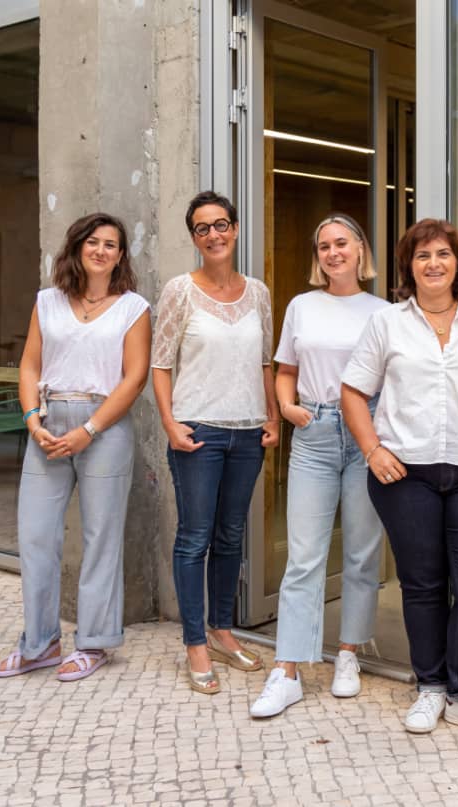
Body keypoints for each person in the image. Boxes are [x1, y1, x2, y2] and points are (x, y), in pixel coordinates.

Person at [341, 219, 458, 738]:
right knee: (422, 585)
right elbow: (353, 391)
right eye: (422, 256)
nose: (433, 264)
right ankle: (430, 686)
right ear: (409, 268)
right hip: (406, 476)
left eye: (442, 254)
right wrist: (372, 449)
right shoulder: (388, 324)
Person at [0, 212, 151, 682]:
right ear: (78, 247)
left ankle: (95, 642)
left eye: (111, 245)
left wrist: (91, 429)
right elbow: (28, 366)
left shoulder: (133, 308)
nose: (101, 250)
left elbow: (135, 377)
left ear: (121, 255)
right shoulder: (48, 301)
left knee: (102, 536)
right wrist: (31, 420)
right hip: (48, 423)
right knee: (37, 536)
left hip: (105, 425)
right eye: (93, 242)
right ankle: (39, 643)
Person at [250, 213, 389, 719]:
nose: (333, 253)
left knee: (360, 552)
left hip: (366, 432)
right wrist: (286, 408)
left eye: (342, 243)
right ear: (318, 257)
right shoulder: (302, 306)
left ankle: (348, 654)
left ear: (360, 250)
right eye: (324, 245)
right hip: (313, 433)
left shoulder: (383, 312)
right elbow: (286, 371)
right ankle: (287, 668)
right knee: (305, 556)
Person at [152, 191, 280, 695]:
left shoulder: (260, 293)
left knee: (231, 537)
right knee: (195, 538)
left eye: (221, 224)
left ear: (236, 228)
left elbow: (265, 361)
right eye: (203, 228)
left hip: (247, 431)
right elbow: (161, 365)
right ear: (194, 237)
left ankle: (222, 630)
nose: (214, 234)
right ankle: (195, 644)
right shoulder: (179, 291)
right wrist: (170, 424)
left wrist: (271, 417)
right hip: (197, 431)